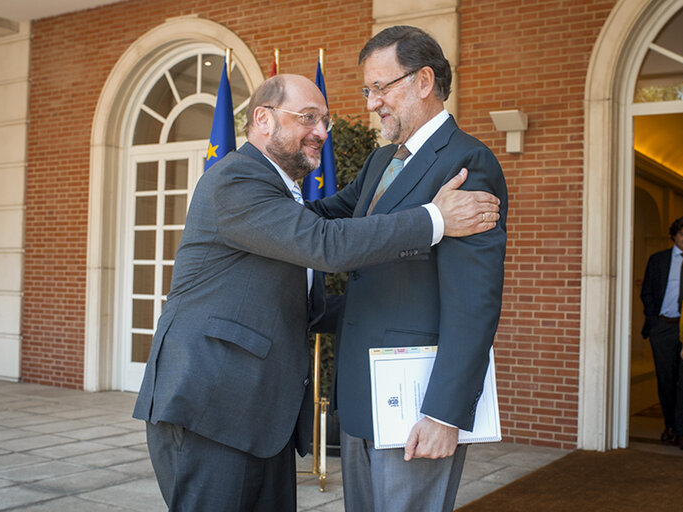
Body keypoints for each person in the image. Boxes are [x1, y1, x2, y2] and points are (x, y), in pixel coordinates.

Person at [132, 73, 501, 511]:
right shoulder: (237, 181)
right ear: (263, 120)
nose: (322, 133)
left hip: (261, 418)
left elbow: (317, 269)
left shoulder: (286, 196)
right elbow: (327, 244)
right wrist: (436, 219)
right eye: (308, 118)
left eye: (324, 120)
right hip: (211, 410)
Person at [306, 26, 508, 512]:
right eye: (367, 90)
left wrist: (444, 413)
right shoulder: (380, 161)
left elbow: (473, 302)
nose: (372, 102)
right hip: (359, 397)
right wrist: (256, 187)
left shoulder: (468, 162)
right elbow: (321, 219)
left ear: (423, 81)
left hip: (416, 405)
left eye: (381, 88)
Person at [641, 215, 683, 452]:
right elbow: (647, 293)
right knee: (665, 381)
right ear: (674, 236)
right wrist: (654, 323)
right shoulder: (658, 260)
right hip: (663, 327)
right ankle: (670, 426)